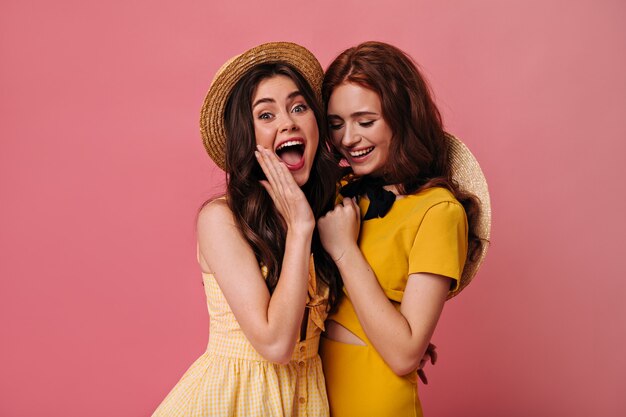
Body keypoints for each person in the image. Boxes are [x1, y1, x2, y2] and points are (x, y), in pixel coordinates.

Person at [152, 42, 342, 417]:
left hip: (307, 400)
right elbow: (275, 344)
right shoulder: (221, 220)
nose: (288, 122)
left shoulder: (329, 214)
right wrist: (300, 229)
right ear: (247, 137)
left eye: (299, 107)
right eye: (266, 115)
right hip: (236, 401)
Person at [317, 41, 491, 417]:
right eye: (336, 124)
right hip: (308, 392)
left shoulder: (438, 212)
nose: (348, 138)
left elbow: (404, 353)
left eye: (365, 121)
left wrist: (345, 251)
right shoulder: (337, 194)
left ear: (402, 117)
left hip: (373, 399)